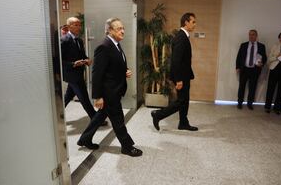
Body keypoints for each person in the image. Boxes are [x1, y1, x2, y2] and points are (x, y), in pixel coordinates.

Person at [77, 17, 142, 157]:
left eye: (123, 28)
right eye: (119, 28)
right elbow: (97, 73)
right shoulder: (104, 46)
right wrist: (98, 96)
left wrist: (125, 71)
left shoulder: (115, 44)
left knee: (100, 117)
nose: (123, 31)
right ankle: (127, 146)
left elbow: (113, 66)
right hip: (108, 92)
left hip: (114, 89)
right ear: (110, 30)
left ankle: (85, 139)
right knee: (118, 120)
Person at [151, 12, 198, 131]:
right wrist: (178, 79)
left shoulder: (183, 36)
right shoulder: (181, 37)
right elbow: (176, 61)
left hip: (184, 75)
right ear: (186, 22)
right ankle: (158, 115)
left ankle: (183, 123)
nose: (195, 24)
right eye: (193, 22)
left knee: (184, 100)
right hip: (181, 76)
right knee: (181, 101)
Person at [61, 17, 98, 120]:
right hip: (71, 74)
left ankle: (56, 113)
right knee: (84, 97)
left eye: (79, 25)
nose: (79, 27)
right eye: (76, 25)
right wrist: (73, 64)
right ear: (68, 27)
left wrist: (87, 60)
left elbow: (82, 55)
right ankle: (94, 117)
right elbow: (59, 60)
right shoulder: (64, 40)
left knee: (68, 96)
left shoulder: (79, 40)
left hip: (78, 72)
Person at [235, 29, 267, 110]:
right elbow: (239, 57)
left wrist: (262, 63)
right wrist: (238, 67)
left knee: (252, 87)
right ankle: (239, 102)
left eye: (253, 34)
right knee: (241, 86)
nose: (251, 36)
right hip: (244, 69)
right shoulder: (243, 45)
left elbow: (264, 58)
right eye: (250, 34)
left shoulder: (261, 46)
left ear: (256, 36)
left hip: (255, 70)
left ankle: (250, 103)